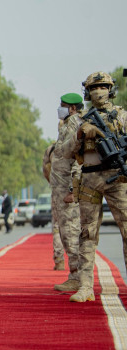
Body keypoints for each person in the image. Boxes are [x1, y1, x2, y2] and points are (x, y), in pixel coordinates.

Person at [62, 71, 127, 303]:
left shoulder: (122, 116)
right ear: (87, 92)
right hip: (90, 179)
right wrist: (80, 134)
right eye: (94, 87)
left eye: (103, 86)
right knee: (87, 234)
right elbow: (66, 151)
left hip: (118, 179)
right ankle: (86, 286)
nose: (99, 91)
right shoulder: (81, 120)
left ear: (111, 89)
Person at [49, 92, 83, 292]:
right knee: (65, 233)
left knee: (71, 233)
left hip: (67, 192)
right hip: (60, 190)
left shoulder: (75, 126)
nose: (59, 108)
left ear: (72, 108)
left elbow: (79, 159)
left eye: (62, 105)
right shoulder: (65, 127)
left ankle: (77, 277)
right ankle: (74, 275)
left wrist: (73, 189)